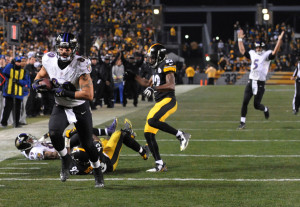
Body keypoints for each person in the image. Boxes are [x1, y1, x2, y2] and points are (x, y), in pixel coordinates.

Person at [32, 33, 104, 188]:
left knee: (88, 144)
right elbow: (40, 76)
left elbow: (89, 95)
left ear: (73, 49)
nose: (64, 51)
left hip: (79, 106)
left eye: (67, 48)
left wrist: (66, 92)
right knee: (54, 133)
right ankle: (65, 158)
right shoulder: (49, 59)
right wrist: (37, 84)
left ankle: (97, 171)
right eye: (61, 47)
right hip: (61, 106)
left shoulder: (81, 64)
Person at [128, 43, 191, 172]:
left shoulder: (167, 64)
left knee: (152, 121)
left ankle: (181, 135)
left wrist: (153, 88)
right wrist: (133, 76)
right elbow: (147, 83)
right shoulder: (156, 68)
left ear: (159, 56)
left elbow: (171, 85)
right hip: (159, 103)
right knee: (148, 133)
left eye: (151, 57)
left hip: (168, 100)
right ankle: (160, 164)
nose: (149, 59)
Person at [237, 29, 284, 129]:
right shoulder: (252, 53)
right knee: (245, 102)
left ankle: (265, 109)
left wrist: (279, 40)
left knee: (256, 105)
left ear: (262, 47)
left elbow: (275, 52)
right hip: (251, 81)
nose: (258, 48)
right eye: (257, 47)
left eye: (259, 47)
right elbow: (242, 51)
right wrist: (239, 39)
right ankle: (242, 123)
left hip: (260, 83)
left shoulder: (266, 54)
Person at [67, 118, 150, 175]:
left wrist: (69, 138)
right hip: (109, 161)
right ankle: (144, 152)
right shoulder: (94, 152)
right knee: (120, 134)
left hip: (99, 157)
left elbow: (69, 156)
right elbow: (96, 141)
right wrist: (86, 132)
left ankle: (124, 134)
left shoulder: (73, 167)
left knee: (105, 139)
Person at [1, 57, 30, 128]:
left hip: (19, 93)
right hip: (9, 92)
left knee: (17, 109)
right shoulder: (10, 69)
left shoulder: (23, 71)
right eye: (17, 61)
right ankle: (4, 123)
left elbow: (25, 82)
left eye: (19, 62)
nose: (18, 63)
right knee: (7, 108)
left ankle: (16, 123)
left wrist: (18, 81)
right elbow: (5, 71)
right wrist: (11, 64)